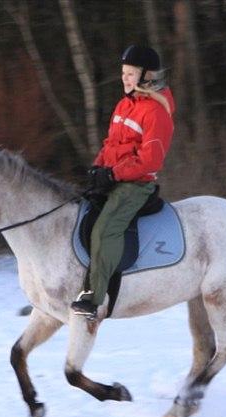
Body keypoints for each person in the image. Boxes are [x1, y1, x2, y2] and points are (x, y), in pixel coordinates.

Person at [71, 45, 176, 320]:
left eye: (131, 74)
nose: (125, 79)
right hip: (114, 177)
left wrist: (114, 175)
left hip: (137, 184)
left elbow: (150, 160)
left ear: (147, 76)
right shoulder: (124, 105)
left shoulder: (156, 112)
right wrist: (98, 169)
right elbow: (111, 144)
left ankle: (95, 298)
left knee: (105, 229)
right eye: (123, 73)